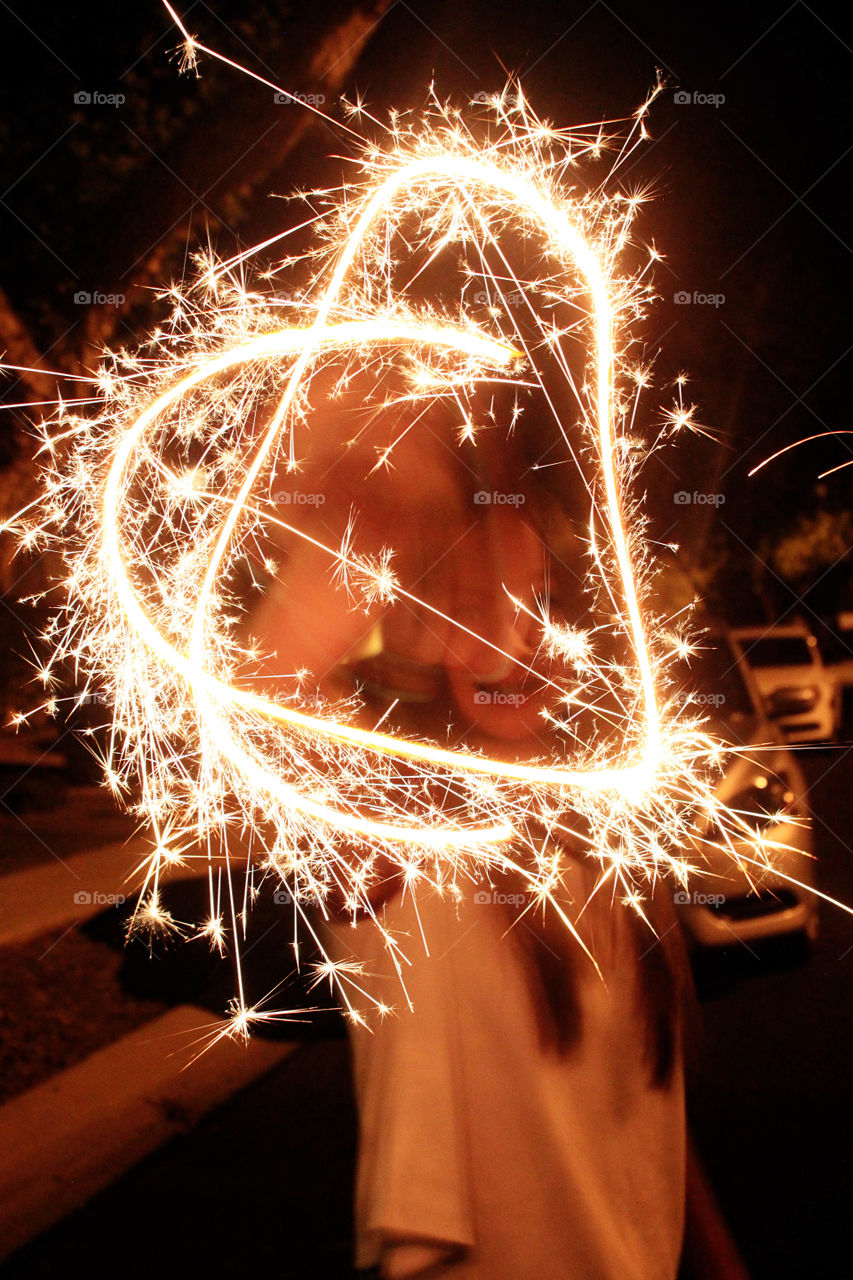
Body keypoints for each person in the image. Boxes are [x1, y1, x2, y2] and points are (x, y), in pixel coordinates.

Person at [248, 373, 749, 1279]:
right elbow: (260, 698)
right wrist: (394, 505)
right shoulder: (398, 839)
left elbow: (637, 1111)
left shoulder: (605, 841)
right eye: (471, 606)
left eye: (542, 602)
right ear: (425, 629)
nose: (513, 640)